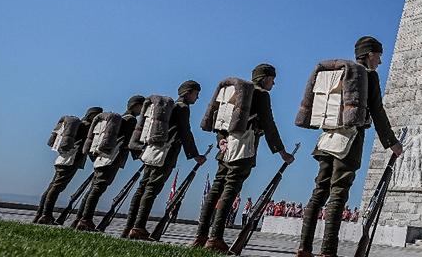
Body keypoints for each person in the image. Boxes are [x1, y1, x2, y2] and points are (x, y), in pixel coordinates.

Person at [297, 36, 403, 257]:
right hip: (350, 140)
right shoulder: (367, 76)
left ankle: (304, 248)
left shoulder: (338, 74)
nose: (380, 62)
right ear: (369, 54)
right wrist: (392, 142)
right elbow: (377, 111)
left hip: (326, 139)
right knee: (338, 193)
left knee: (319, 192)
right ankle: (328, 251)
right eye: (379, 56)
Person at [193, 63, 294, 253]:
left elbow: (220, 119)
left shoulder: (236, 92)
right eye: (272, 79)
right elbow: (268, 124)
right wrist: (282, 152)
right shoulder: (262, 95)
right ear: (264, 78)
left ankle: (201, 236)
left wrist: (221, 140)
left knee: (216, 189)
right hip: (244, 146)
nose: (273, 84)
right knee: (230, 190)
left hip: (225, 146)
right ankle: (215, 238)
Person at [123, 81, 207, 240]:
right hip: (166, 154)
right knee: (151, 190)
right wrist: (195, 155)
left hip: (151, 151)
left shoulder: (169, 108)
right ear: (188, 93)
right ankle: (138, 226)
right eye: (196, 94)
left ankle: (130, 226)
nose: (197, 98)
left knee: (143, 188)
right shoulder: (182, 108)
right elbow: (185, 132)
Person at [73, 95, 144, 231]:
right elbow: (129, 142)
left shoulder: (120, 119)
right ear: (136, 106)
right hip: (113, 158)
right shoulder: (131, 121)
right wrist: (141, 154)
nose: (142, 110)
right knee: (98, 189)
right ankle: (85, 219)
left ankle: (80, 218)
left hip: (102, 157)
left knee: (94, 188)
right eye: (141, 106)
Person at [33, 106, 102, 224]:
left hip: (62, 159)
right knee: (56, 187)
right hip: (71, 160)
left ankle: (41, 214)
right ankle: (46, 215)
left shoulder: (79, 125)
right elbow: (85, 147)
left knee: (53, 186)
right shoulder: (86, 127)